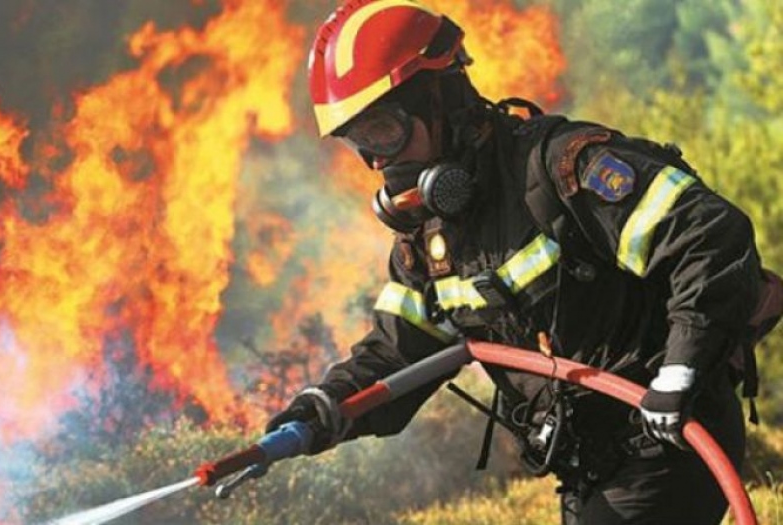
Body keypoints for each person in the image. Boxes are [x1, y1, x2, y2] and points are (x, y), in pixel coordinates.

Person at [266, 1, 783, 523]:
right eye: (359, 143)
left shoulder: (562, 168)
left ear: (439, 99)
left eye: (382, 132)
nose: (376, 161)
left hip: (668, 441)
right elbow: (399, 351)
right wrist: (324, 408)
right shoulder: (429, 240)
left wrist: (680, 371)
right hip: (589, 468)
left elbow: (709, 235)